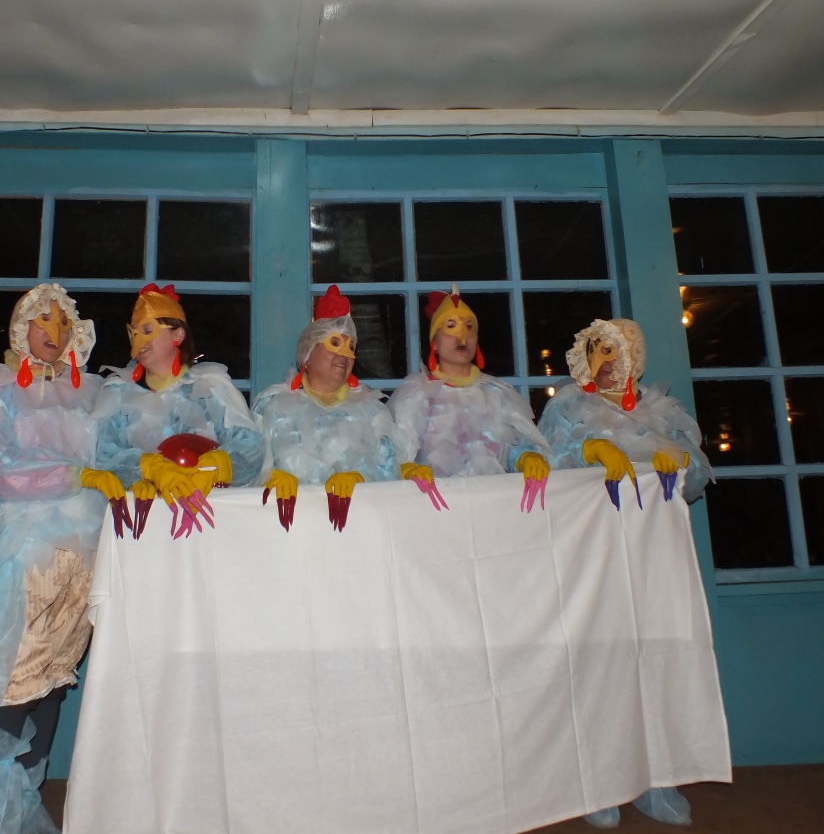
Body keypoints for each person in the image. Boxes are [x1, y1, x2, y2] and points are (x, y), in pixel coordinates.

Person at [0, 283, 126, 834]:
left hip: (82, 553)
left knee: (54, 680)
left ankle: (24, 806)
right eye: (43, 321)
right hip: (21, 553)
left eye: (63, 322)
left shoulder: (91, 392)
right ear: (22, 327)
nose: (54, 331)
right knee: (10, 682)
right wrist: (76, 474)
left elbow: (120, 452)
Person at [538, 317, 712, 828]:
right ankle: (600, 779)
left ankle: (659, 777)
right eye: (597, 350)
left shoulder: (665, 411)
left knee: (659, 657)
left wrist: (679, 461)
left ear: (635, 355)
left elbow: (696, 478)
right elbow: (548, 466)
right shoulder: (567, 407)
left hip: (654, 553)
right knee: (600, 660)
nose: (606, 361)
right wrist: (587, 451)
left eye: (614, 350)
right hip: (593, 554)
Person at [253, 284, 435, 532]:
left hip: (357, 529)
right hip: (290, 529)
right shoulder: (271, 405)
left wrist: (361, 477)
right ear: (309, 353)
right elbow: (247, 461)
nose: (345, 354)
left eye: (350, 347)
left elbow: (392, 467)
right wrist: (268, 474)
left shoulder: (371, 411)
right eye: (335, 342)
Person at [93, 283, 264, 538]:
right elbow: (102, 455)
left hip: (210, 520)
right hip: (143, 525)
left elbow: (251, 446)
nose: (139, 339)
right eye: (134, 332)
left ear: (178, 335)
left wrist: (215, 465)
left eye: (148, 330)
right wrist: (148, 469)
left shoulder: (210, 387)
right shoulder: (118, 394)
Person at [387, 284, 552, 511]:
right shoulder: (415, 396)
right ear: (434, 343)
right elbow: (393, 458)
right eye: (450, 326)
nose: (462, 335)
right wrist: (406, 469)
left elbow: (516, 445)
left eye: (469, 327)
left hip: (495, 510)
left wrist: (526, 457)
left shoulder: (497, 393)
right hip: (434, 513)